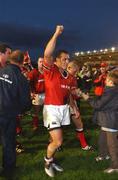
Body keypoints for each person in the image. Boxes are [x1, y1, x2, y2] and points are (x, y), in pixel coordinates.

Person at [42, 25, 78, 177]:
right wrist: (56, 34)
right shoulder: (51, 70)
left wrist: (74, 107)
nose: (66, 61)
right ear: (56, 60)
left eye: (68, 59)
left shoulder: (69, 77)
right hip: (51, 109)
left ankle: (52, 159)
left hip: (63, 109)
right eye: (64, 59)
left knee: (54, 139)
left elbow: (68, 94)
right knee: (58, 142)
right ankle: (47, 162)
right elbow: (47, 52)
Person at [78, 69, 118, 174]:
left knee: (112, 145)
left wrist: (87, 98)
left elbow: (98, 105)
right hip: (107, 120)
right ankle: (103, 155)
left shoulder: (111, 91)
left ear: (111, 81)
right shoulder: (111, 89)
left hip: (110, 121)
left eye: (107, 79)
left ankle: (115, 166)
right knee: (102, 140)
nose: (105, 80)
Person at [0, 50, 31, 177]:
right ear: (22, 62)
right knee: (8, 142)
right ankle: (8, 170)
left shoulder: (1, 71)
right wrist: (22, 110)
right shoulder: (21, 78)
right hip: (8, 114)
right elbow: (25, 102)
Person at [67, 60, 92, 150]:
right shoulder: (64, 77)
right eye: (75, 70)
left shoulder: (74, 77)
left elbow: (73, 90)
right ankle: (53, 143)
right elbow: (66, 93)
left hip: (72, 102)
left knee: (79, 123)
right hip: (62, 104)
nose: (77, 72)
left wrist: (78, 93)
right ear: (69, 68)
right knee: (58, 127)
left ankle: (83, 144)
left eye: (78, 70)